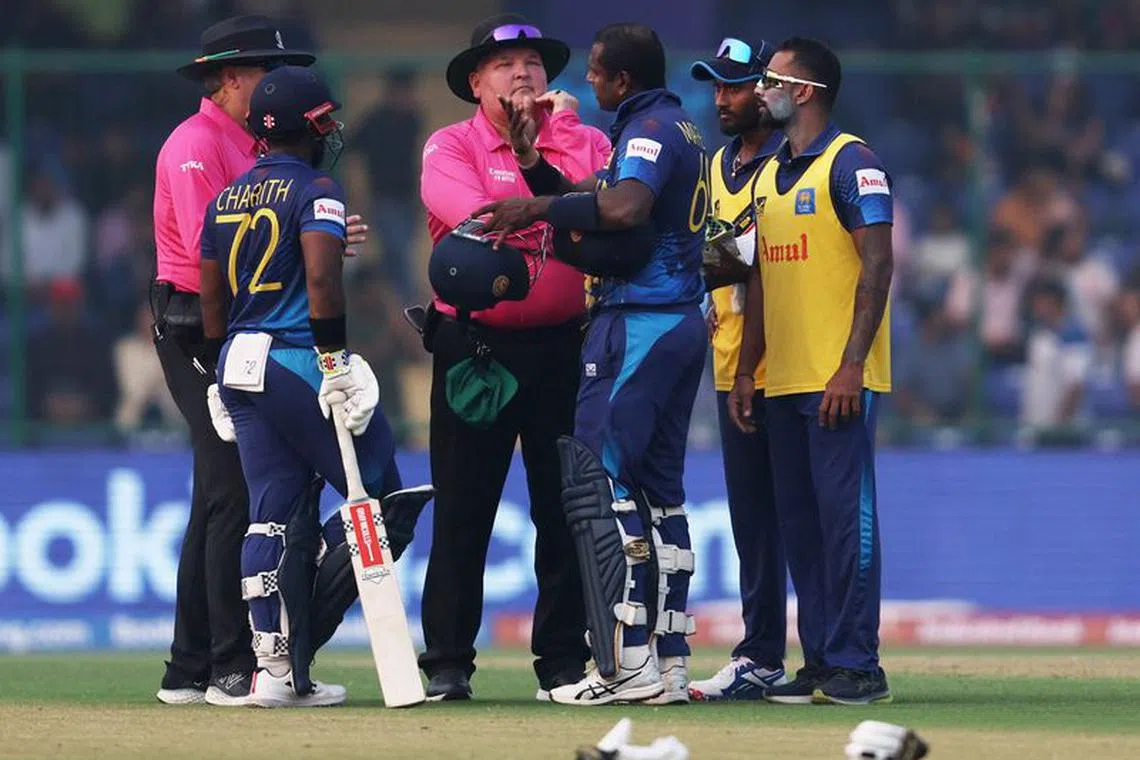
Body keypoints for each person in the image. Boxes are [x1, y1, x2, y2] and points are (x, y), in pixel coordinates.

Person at [478, 22, 709, 706]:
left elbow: (624, 208)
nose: (592, 84)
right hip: (676, 323)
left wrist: (535, 205)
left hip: (637, 324)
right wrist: (534, 171)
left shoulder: (645, 134)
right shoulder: (682, 130)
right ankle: (667, 663)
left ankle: (623, 665)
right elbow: (605, 220)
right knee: (659, 496)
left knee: (598, 487)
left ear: (623, 80)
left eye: (600, 73)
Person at [198, 66, 433, 708]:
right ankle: (300, 634)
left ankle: (272, 672)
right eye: (325, 118)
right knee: (387, 494)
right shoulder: (318, 187)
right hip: (297, 359)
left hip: (239, 363)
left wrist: (223, 365)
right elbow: (324, 285)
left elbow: (211, 304)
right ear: (309, 126)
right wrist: (333, 361)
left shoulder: (224, 198)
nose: (332, 127)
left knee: (269, 510)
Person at [417, 13, 611, 701]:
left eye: (531, 62)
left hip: (565, 346)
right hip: (477, 349)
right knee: (465, 510)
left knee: (564, 511)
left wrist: (546, 178)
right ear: (476, 81)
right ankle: (446, 662)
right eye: (503, 64)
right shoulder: (449, 145)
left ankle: (560, 664)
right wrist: (553, 209)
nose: (522, 72)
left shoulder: (587, 140)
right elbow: (480, 219)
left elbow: (604, 215)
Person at [150, 15, 330, 706]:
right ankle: (232, 665)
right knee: (233, 491)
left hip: (238, 327)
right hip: (199, 325)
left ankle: (187, 668)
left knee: (216, 497)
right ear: (229, 79)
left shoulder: (250, 144)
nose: (280, 86)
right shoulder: (196, 144)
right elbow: (215, 256)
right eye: (266, 73)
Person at [728, 37, 894, 705]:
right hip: (781, 381)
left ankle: (861, 665)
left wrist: (851, 366)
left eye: (771, 78)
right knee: (799, 527)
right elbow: (760, 280)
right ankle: (823, 660)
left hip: (837, 381)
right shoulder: (769, 173)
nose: (759, 87)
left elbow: (878, 265)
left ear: (804, 91)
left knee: (843, 522)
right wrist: (747, 371)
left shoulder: (852, 162)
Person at [684, 37, 790, 702]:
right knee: (753, 521)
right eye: (717, 86)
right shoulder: (716, 166)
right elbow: (721, 261)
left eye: (737, 85)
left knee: (805, 521)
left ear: (770, 90)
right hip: (732, 368)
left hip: (797, 367)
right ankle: (761, 655)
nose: (723, 98)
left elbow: (765, 260)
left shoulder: (793, 161)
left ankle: (840, 656)